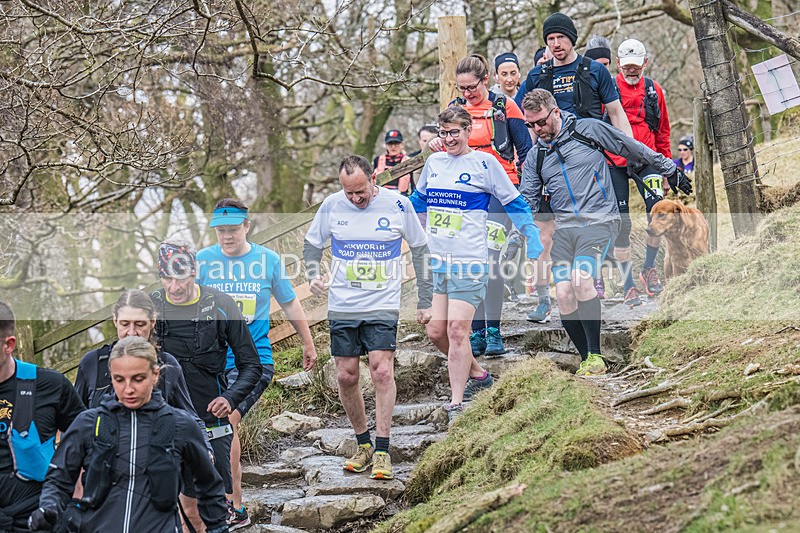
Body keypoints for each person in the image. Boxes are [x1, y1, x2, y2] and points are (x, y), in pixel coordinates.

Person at [519, 89, 688, 375]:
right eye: (530, 125)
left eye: (541, 122)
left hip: (599, 222)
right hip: (565, 229)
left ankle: (596, 355)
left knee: (581, 279)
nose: (537, 130)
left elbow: (631, 147)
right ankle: (587, 358)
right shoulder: (535, 157)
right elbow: (527, 200)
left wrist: (668, 168)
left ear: (556, 112)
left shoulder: (588, 130)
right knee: (562, 293)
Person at [409, 106, 543, 421]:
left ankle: (457, 403)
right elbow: (418, 201)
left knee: (457, 330)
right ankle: (480, 375)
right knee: (435, 332)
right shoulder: (434, 163)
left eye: (455, 132)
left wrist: (530, 233)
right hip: (438, 261)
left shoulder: (485, 163)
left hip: (470, 261)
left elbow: (514, 201)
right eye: (444, 133)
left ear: (468, 130)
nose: (449, 138)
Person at [304, 155, 433, 481]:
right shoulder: (332, 206)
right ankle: (363, 444)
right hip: (344, 304)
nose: (355, 199)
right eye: (349, 193)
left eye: (360, 191)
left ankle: (382, 450)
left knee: (381, 370)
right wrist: (312, 274)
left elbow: (420, 249)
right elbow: (311, 245)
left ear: (373, 179)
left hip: (381, 302)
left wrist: (425, 298)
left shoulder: (398, 205)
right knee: (346, 376)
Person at [197, 198, 317, 530]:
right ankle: (218, 502)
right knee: (211, 428)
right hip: (211, 364)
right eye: (221, 230)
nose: (227, 236)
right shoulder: (203, 261)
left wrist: (307, 343)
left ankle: (233, 506)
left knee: (225, 423)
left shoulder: (267, 260)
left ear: (247, 226)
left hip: (254, 362)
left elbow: (290, 304)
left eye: (233, 229)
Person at [30, 337, 229, 533]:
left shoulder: (181, 425)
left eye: (138, 378)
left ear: (155, 375)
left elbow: (209, 485)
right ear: (111, 375)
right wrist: (48, 508)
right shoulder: (88, 424)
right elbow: (58, 478)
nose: (128, 389)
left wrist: (218, 527)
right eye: (119, 379)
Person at [516, 14, 633, 324]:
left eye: (561, 38)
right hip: (550, 164)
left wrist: (629, 154)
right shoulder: (536, 76)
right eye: (550, 39)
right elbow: (522, 119)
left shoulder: (594, 71)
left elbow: (616, 113)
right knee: (546, 232)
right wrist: (534, 162)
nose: (556, 44)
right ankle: (546, 297)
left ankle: (600, 282)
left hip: (592, 160)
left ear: (572, 39)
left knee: (611, 221)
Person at [151, 239, 262, 533]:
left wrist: (231, 397)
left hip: (212, 416)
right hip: (164, 417)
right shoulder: (150, 307)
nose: (174, 287)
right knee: (180, 509)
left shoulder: (222, 304)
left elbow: (252, 365)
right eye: (167, 278)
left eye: (181, 278)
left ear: (195, 272)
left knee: (214, 509)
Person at [437, 53, 532, 356]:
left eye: (471, 87)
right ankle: (476, 331)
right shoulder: (455, 110)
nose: (467, 94)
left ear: (485, 80)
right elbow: (444, 142)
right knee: (470, 261)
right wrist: (435, 143)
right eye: (461, 88)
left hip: (500, 190)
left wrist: (525, 195)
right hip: (466, 196)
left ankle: (494, 330)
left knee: (490, 257)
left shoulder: (505, 107)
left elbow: (526, 151)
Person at [605, 39, 692, 306]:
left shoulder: (654, 90)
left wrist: (667, 168)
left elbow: (663, 132)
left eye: (636, 65)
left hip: (648, 159)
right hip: (614, 162)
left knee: (658, 215)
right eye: (626, 66)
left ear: (645, 62)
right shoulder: (607, 88)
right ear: (618, 64)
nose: (631, 71)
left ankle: (649, 269)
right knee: (622, 223)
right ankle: (628, 284)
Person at [0, 301, 84, 533]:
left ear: (9, 345)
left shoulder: (51, 386)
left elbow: (85, 442)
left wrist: (77, 501)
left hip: (36, 517)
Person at [74, 289, 196, 415]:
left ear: (152, 322)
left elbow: (193, 420)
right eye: (125, 324)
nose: (132, 332)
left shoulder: (168, 364)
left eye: (140, 324)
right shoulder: (92, 363)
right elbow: (71, 421)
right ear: (115, 321)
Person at [373, 129, 412, 194]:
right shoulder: (377, 160)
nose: (393, 146)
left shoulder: (409, 161)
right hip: (381, 195)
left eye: (396, 143)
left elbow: (414, 184)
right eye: (390, 143)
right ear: (385, 145)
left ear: (402, 144)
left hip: (402, 195)